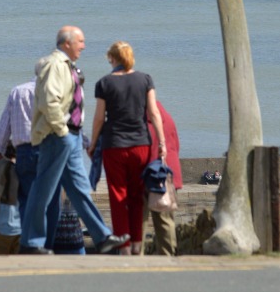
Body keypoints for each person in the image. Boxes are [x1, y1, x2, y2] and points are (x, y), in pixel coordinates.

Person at [19, 25, 129, 255]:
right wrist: (61, 130)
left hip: (72, 136)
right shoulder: (54, 65)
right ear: (66, 43)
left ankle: (102, 237)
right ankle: (31, 242)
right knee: (43, 189)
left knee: (79, 189)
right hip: (59, 136)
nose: (84, 46)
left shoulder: (68, 66)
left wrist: (73, 133)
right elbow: (49, 101)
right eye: (80, 41)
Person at [87, 41, 166, 255]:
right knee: (136, 194)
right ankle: (137, 244)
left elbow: (98, 119)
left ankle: (123, 246)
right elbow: (153, 113)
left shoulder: (104, 83)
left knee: (118, 195)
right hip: (141, 143)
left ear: (113, 59)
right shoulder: (145, 79)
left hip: (114, 145)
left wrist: (93, 143)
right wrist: (162, 142)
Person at [0, 58, 60, 247]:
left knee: (28, 199)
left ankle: (29, 243)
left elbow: (4, 125)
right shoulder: (54, 92)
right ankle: (48, 244)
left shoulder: (18, 91)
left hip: (25, 152)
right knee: (52, 201)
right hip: (51, 150)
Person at [147, 102, 183, 256]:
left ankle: (138, 258)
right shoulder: (167, 117)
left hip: (153, 174)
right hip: (169, 174)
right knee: (166, 221)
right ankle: (169, 255)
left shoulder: (143, 120)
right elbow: (176, 144)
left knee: (141, 222)